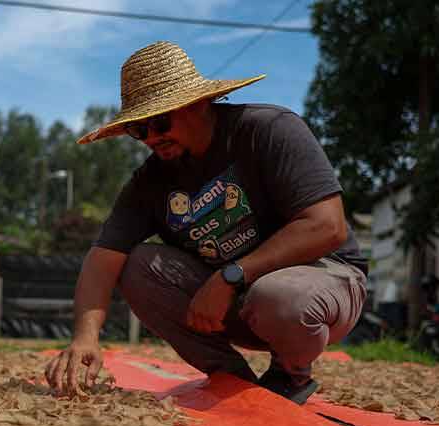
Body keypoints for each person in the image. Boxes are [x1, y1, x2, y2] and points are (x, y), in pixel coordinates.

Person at [45, 41, 368, 405]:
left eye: (161, 122)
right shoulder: (150, 181)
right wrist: (85, 337)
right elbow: (103, 260)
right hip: (236, 303)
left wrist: (231, 275)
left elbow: (327, 226)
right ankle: (231, 377)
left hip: (320, 288)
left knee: (278, 296)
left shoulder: (269, 130)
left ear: (198, 103)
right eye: (138, 129)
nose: (151, 137)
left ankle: (289, 374)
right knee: (137, 265)